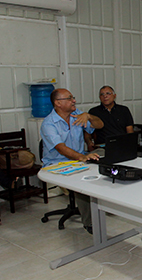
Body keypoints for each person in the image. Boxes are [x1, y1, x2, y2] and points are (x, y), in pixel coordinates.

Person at [40, 88, 103, 233]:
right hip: (57, 163)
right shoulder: (48, 124)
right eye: (69, 98)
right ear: (58, 103)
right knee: (82, 182)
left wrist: (88, 116)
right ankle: (90, 223)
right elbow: (61, 148)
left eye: (72, 97)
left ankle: (107, 206)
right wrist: (82, 157)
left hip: (79, 159)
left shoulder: (76, 114)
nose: (73, 100)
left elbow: (100, 125)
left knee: (107, 156)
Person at [85, 85, 134, 150]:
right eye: (102, 94)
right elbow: (87, 132)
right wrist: (89, 143)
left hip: (121, 145)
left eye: (108, 93)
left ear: (114, 96)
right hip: (103, 146)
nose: (105, 96)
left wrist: (130, 145)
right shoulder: (94, 112)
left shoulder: (124, 110)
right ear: (99, 97)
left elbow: (130, 131)